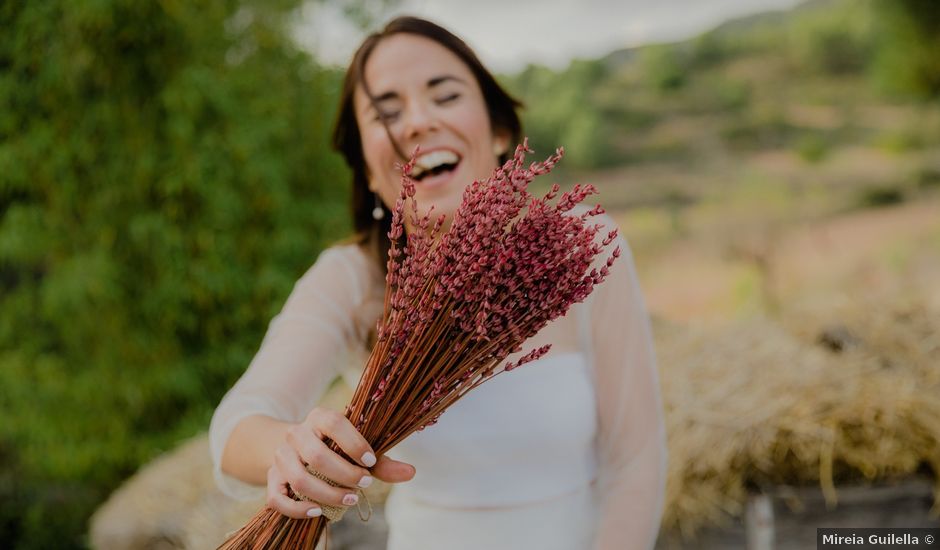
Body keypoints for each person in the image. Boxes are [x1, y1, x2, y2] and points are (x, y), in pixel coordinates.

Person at [209, 16, 667, 550]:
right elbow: (234, 428)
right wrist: (290, 447)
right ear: (368, 165)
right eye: (387, 112)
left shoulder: (579, 250)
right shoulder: (351, 277)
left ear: (499, 131)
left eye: (444, 96)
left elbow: (637, 458)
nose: (417, 123)